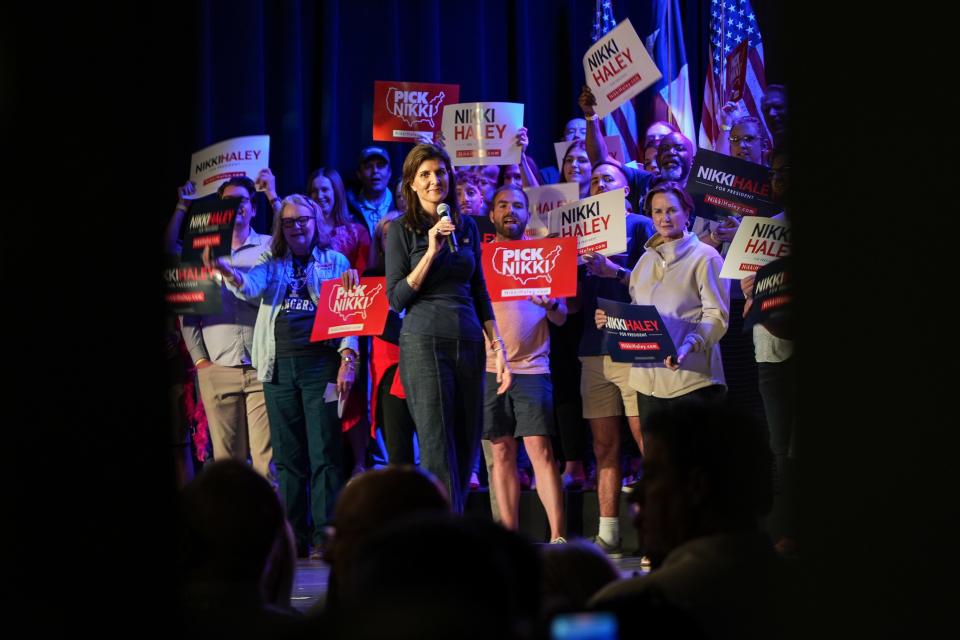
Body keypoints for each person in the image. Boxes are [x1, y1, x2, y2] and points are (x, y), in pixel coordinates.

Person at [204, 194, 359, 559]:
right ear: (281, 228)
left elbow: (350, 316)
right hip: (276, 369)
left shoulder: (335, 261)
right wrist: (228, 272)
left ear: (316, 220)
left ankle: (325, 535)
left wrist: (347, 359)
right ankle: (295, 536)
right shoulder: (271, 261)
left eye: (303, 220)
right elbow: (250, 284)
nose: (297, 227)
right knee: (287, 457)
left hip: (321, 366)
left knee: (325, 453)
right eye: (288, 222)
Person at [590, 402, 802, 640]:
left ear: (697, 487)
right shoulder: (811, 594)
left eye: (652, 475)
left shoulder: (626, 609)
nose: (636, 496)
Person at [385, 143, 512, 515]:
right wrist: (430, 251)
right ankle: (439, 541)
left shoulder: (467, 224)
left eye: (439, 172)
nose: (434, 180)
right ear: (411, 184)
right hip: (425, 342)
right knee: (438, 447)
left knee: (465, 446)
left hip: (470, 341)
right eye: (424, 174)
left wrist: (497, 346)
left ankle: (450, 531)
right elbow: (397, 298)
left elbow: (479, 290)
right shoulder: (401, 229)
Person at [590, 182, 729, 426]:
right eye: (657, 211)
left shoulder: (706, 257)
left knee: (696, 464)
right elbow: (638, 313)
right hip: (647, 387)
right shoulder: (645, 260)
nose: (664, 217)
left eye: (672, 210)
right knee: (658, 464)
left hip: (691, 382)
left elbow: (716, 317)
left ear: (687, 214)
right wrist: (612, 322)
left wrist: (689, 345)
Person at [169, 176, 274, 480]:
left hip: (261, 366)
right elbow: (188, 310)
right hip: (218, 366)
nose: (237, 207)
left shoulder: (268, 245)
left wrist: (273, 195)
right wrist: (201, 361)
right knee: (229, 468)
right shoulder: (201, 249)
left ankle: (271, 527)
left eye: (243, 201)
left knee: (267, 465)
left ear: (252, 209)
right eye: (228, 201)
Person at [577, 162, 656, 556]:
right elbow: (570, 297)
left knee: (647, 441)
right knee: (603, 446)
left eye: (608, 179)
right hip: (593, 348)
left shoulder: (641, 225)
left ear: (625, 190)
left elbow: (657, 281)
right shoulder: (578, 233)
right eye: (593, 181)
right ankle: (608, 532)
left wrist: (615, 269)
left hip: (632, 343)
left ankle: (658, 531)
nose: (599, 184)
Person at [483, 184, 567, 543]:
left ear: (527, 214)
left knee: (539, 449)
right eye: (503, 205)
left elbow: (562, 318)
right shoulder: (482, 258)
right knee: (500, 451)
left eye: (518, 205)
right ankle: (507, 540)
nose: (510, 211)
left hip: (533, 367)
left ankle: (558, 536)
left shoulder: (544, 256)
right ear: (492, 215)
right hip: (488, 368)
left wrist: (550, 304)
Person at [307, 166, 373, 476]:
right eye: (315, 191)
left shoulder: (355, 231)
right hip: (313, 327)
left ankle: (359, 463)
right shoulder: (306, 230)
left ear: (336, 193)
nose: (320, 196)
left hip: (348, 323)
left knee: (352, 393)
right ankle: (330, 462)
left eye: (326, 190)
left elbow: (364, 278)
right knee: (326, 394)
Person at [347, 145, 394, 236]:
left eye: (380, 165)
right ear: (359, 174)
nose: (375, 171)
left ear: (389, 173)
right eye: (368, 166)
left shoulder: (401, 204)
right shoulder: (348, 207)